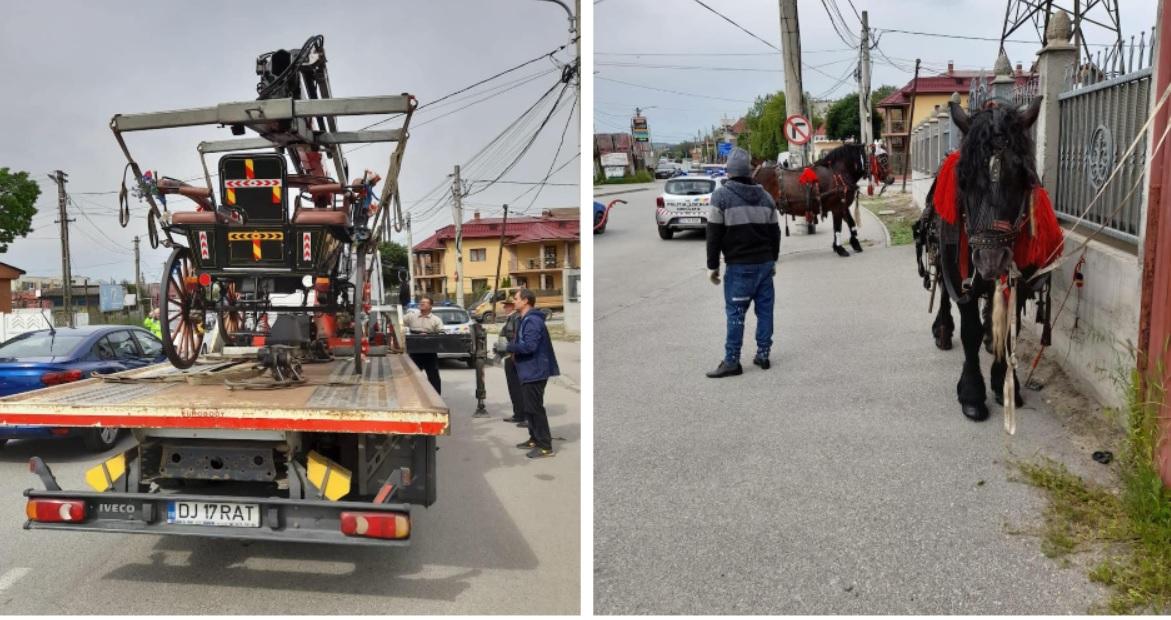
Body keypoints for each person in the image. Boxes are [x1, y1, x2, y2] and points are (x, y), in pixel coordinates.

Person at [705, 146, 781, 378]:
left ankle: (732, 361)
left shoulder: (721, 197)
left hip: (739, 267)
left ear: (729, 172)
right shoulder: (766, 198)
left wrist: (712, 265)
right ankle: (763, 354)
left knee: (736, 313)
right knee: (765, 311)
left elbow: (714, 233)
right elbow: (775, 233)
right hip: (765, 265)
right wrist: (773, 260)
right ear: (749, 172)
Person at [494, 288, 559, 459]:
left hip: (535, 371)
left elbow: (530, 346)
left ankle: (545, 446)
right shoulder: (524, 319)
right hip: (527, 370)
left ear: (525, 301)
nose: (513, 301)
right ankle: (534, 439)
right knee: (529, 408)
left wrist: (507, 347)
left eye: (516, 298)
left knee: (535, 409)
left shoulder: (532, 321)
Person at [404, 295, 444, 393]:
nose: (421, 304)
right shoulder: (411, 316)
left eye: (425, 302)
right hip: (414, 352)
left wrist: (428, 334)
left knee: (434, 377)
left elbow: (441, 334)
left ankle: (437, 399)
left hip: (429, 353)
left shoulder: (436, 320)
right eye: (421, 302)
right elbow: (399, 322)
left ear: (430, 306)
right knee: (411, 377)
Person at [498, 300, 527, 427]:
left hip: (514, 356)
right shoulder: (511, 318)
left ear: (512, 307)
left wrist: (512, 353)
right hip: (510, 354)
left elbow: (515, 337)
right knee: (513, 387)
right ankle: (518, 414)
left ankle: (522, 415)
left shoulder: (516, 318)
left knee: (517, 387)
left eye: (507, 305)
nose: (504, 308)